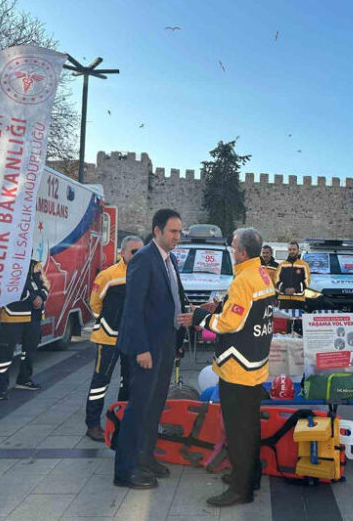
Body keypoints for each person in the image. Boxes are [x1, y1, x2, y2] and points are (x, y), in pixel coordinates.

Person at [178, 227, 276, 507]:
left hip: (237, 368)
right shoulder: (261, 274)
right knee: (250, 427)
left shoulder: (244, 279)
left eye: (233, 246)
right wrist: (219, 304)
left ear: (242, 252)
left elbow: (231, 323)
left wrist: (200, 318)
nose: (232, 250)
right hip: (255, 365)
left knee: (238, 430)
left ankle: (240, 489)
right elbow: (247, 309)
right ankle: (250, 476)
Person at [113, 209, 189, 489]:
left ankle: (145, 459)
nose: (177, 237)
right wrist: (141, 349)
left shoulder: (169, 260)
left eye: (180, 232)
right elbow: (132, 310)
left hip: (165, 344)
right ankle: (125, 470)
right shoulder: (144, 259)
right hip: (146, 348)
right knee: (138, 408)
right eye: (173, 231)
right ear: (157, 231)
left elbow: (170, 299)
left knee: (154, 407)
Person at [84, 235, 144, 442]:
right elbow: (94, 304)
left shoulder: (144, 274)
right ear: (122, 253)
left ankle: (121, 421)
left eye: (140, 252)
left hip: (131, 340)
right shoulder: (108, 275)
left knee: (127, 383)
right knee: (100, 382)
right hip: (108, 339)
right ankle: (92, 425)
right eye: (133, 252)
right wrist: (108, 322)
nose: (137, 256)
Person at [0, 258, 49, 399]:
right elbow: (11, 285)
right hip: (13, 315)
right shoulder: (8, 262)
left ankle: (24, 379)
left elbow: (46, 284)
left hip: (34, 316)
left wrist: (42, 297)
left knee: (29, 350)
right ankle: (1, 388)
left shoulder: (36, 265)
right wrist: (32, 298)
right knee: (5, 354)